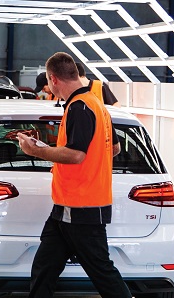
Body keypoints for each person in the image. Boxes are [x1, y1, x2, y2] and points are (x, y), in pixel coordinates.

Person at [17, 52, 131, 298]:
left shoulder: (79, 107)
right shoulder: (96, 103)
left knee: (102, 272)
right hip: (67, 207)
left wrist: (35, 151)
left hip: (81, 207)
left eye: (49, 84)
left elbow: (77, 155)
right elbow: (114, 148)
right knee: (44, 268)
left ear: (53, 79)